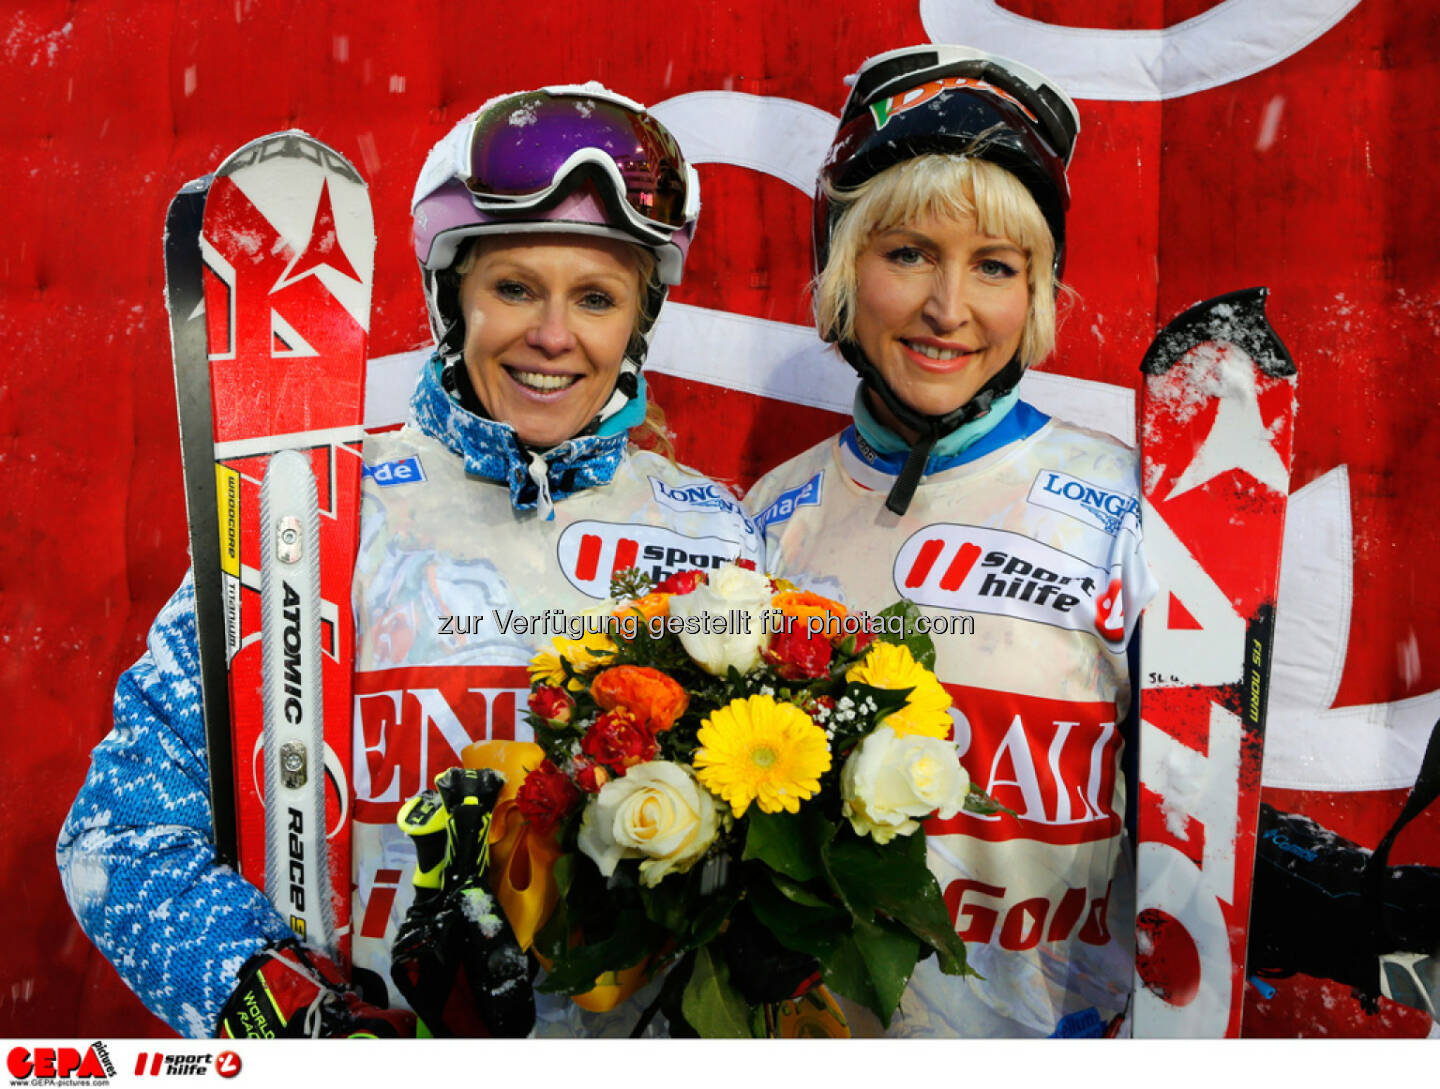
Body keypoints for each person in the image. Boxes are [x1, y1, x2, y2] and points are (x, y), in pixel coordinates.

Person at [57, 84, 764, 1039]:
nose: (554, 335)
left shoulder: (714, 536)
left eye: (595, 297)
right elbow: (118, 839)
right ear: (449, 295)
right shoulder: (314, 514)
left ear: (638, 320)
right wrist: (290, 1017)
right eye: (514, 288)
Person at [744, 45, 1155, 1037]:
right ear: (842, 266)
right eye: (908, 253)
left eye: (995, 267)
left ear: (1038, 291)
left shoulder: (1129, 508)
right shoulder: (769, 514)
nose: (948, 309)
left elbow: (1201, 803)